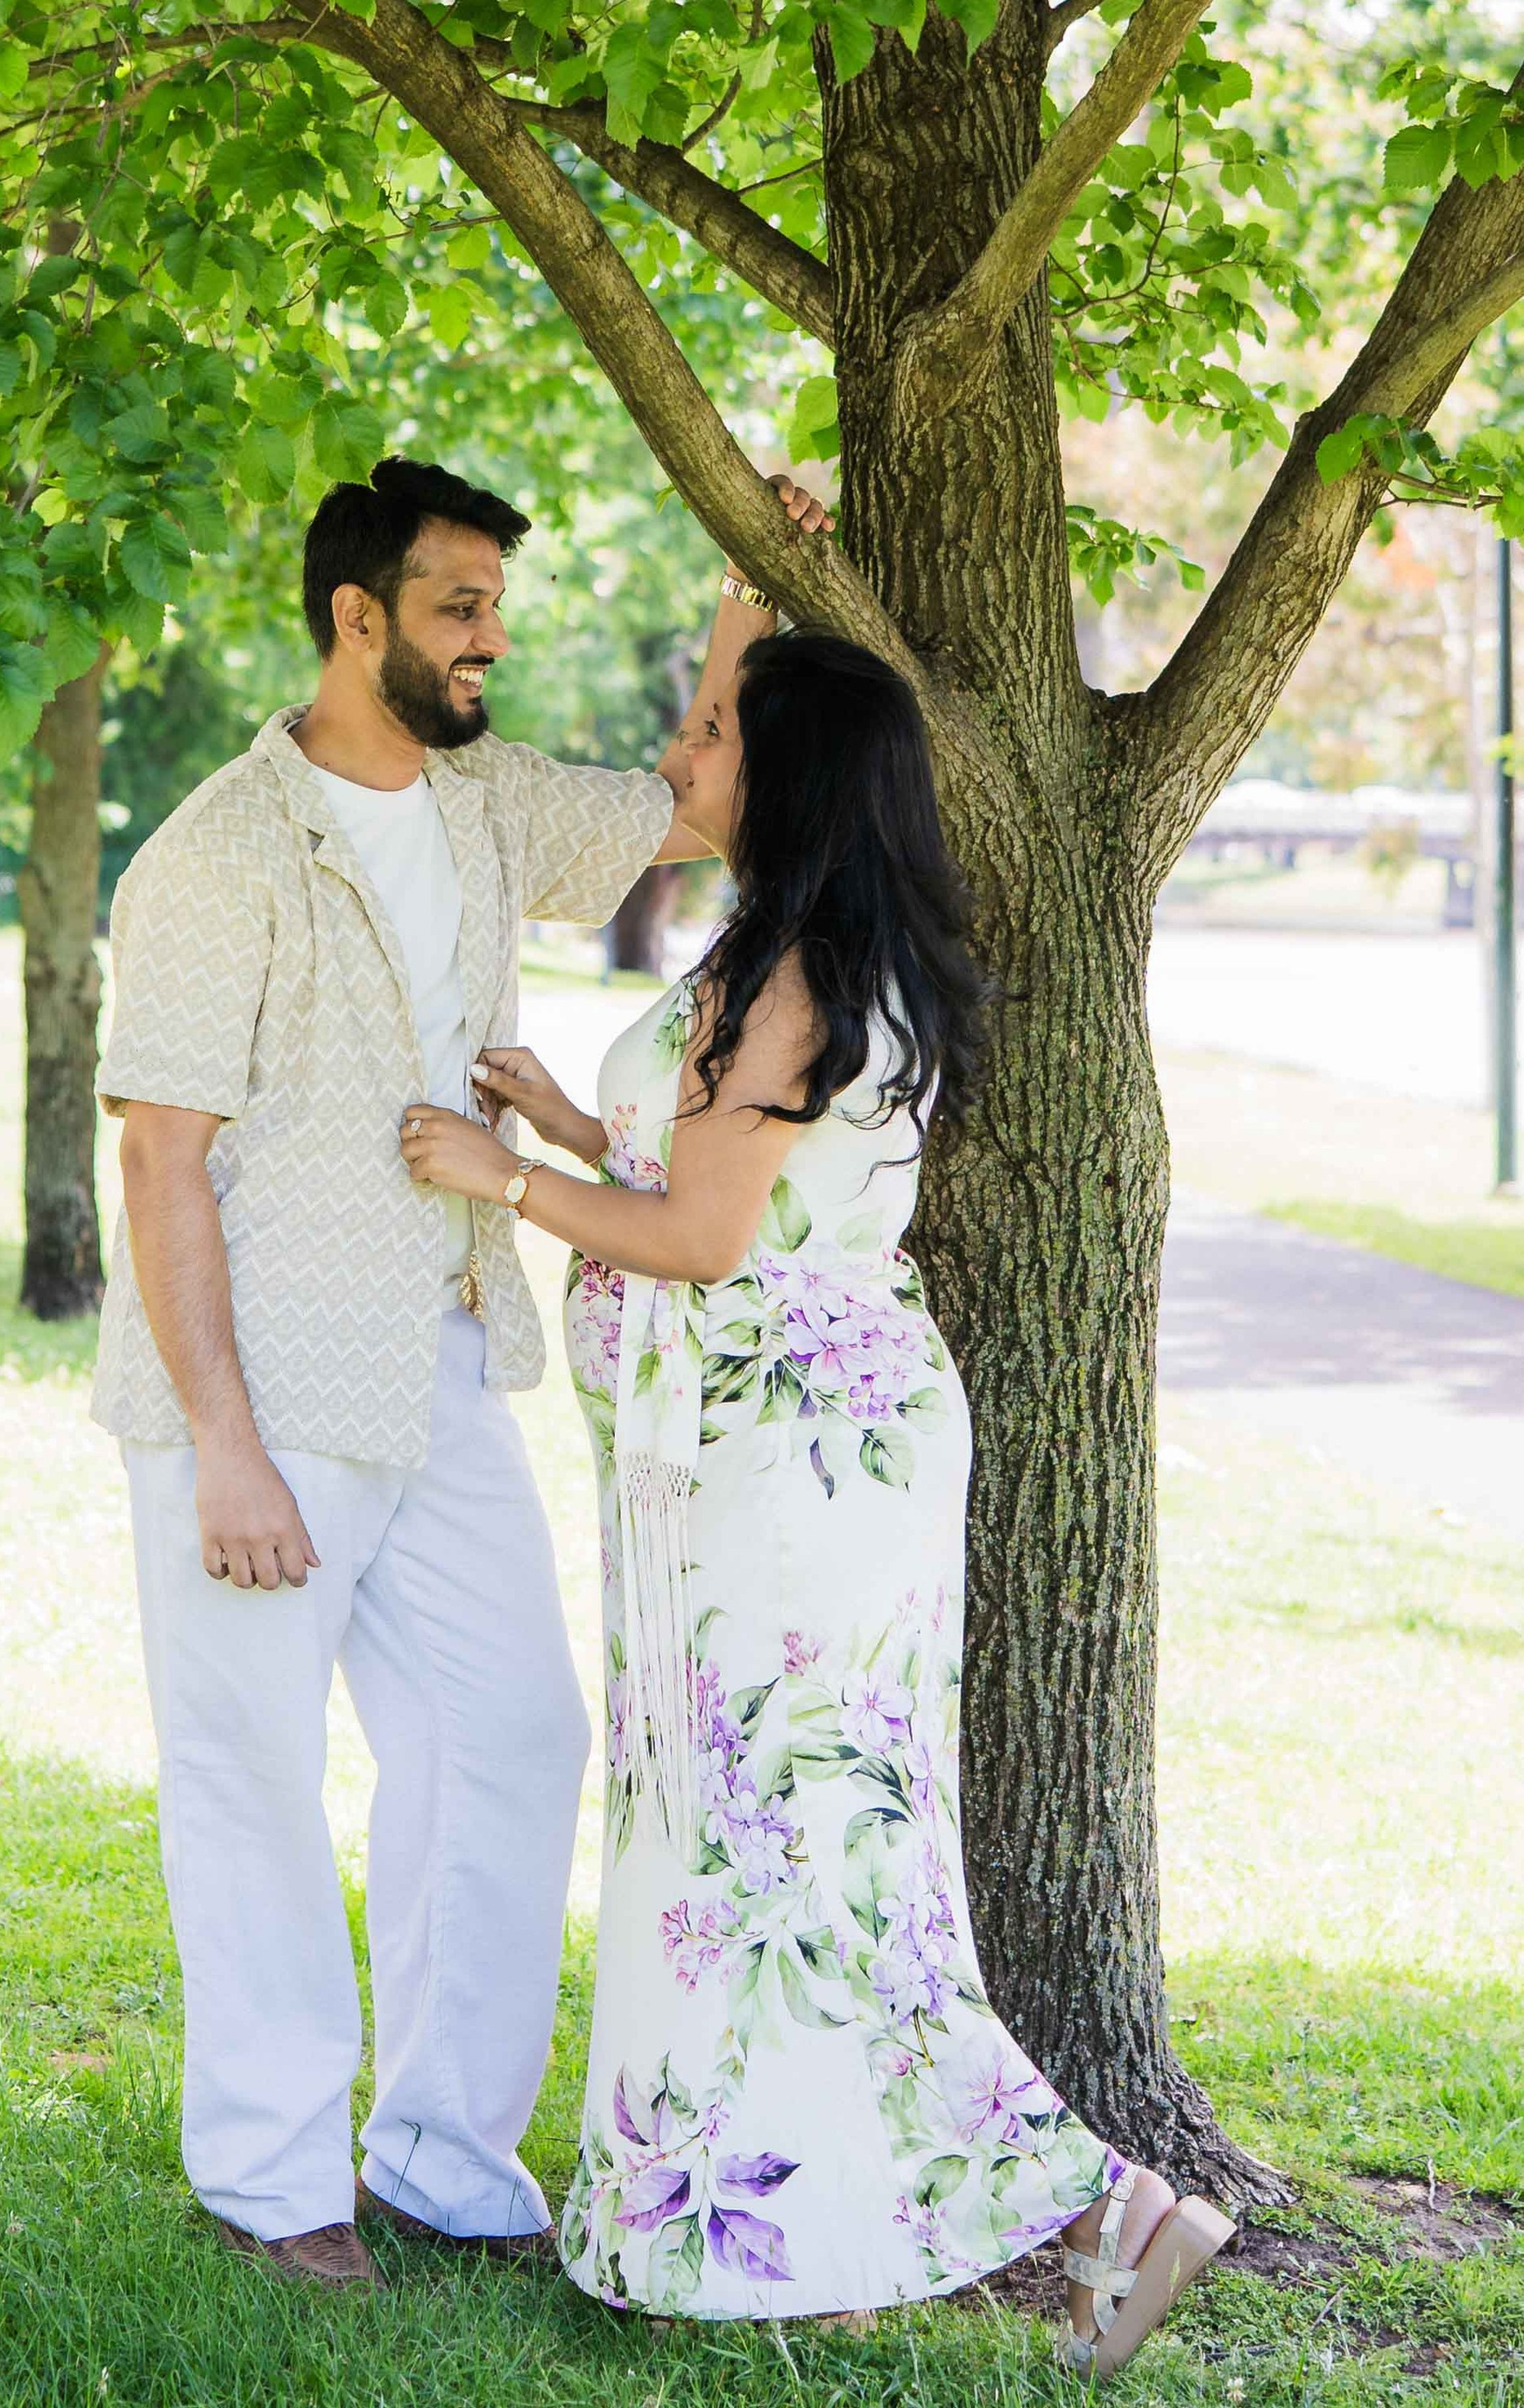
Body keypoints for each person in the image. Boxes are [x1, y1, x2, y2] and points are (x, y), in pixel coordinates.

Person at [402, 630, 1235, 2378]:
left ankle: (1095, 2200)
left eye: (706, 729)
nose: (676, 749)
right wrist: (570, 1118)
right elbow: (728, 1181)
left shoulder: (782, 971)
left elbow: (704, 1243)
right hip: (765, 1463)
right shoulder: (790, 946)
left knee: (786, 1858)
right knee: (783, 1851)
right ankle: (813, 2233)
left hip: (778, 1477)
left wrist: (511, 1178)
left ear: (776, 781)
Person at [92, 453, 829, 2293]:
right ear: (356, 621)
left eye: (494, 604)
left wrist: (751, 586)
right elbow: (157, 1161)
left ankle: (438, 2152)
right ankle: (273, 2182)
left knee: (508, 1732)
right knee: (248, 1766)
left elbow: (682, 802)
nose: (490, 639)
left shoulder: (490, 799)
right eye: (457, 607)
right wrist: (223, 1446)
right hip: (252, 1387)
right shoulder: (216, 852)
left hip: (438, 1351)